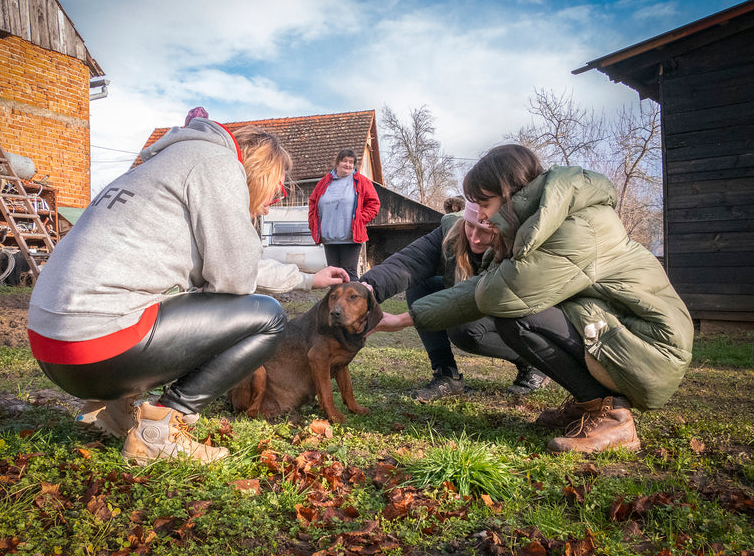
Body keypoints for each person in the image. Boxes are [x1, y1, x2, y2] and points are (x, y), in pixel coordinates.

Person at [27, 115, 349, 464]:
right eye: (278, 189)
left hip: (54, 352)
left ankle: (113, 408)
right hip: (98, 348)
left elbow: (226, 266)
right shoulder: (220, 167)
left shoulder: (170, 162)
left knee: (166, 296)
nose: (272, 202)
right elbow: (236, 280)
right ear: (262, 170)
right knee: (267, 316)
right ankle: (161, 427)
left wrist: (306, 278)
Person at [372, 144, 693, 454]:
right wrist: (376, 298)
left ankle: (612, 416)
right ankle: (587, 404)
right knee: (514, 313)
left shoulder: (573, 229)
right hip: (620, 331)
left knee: (517, 316)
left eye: (484, 203)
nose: (481, 217)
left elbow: (498, 292)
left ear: (509, 195)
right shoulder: (541, 223)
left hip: (651, 347)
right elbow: (434, 269)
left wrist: (405, 318)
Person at [359, 201, 550, 401]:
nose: (475, 239)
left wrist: (403, 320)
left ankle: (532, 361)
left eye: (486, 231)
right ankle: (446, 374)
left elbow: (479, 298)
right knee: (421, 284)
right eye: (470, 226)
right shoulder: (451, 231)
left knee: (465, 330)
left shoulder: (519, 245)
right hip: (473, 298)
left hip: (513, 308)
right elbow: (408, 262)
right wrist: (365, 290)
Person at [308, 148, 380, 281]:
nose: (347, 165)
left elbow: (374, 204)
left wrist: (360, 219)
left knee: (349, 273)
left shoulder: (361, 181)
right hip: (329, 237)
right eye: (344, 161)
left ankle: (355, 301)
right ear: (337, 162)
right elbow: (313, 203)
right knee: (333, 275)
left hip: (350, 237)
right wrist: (313, 223)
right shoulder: (324, 182)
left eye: (351, 162)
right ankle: (336, 302)